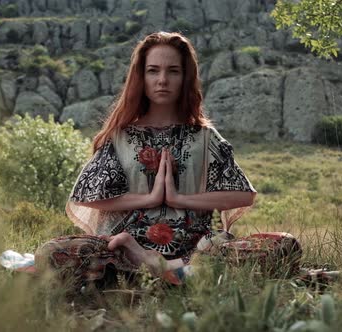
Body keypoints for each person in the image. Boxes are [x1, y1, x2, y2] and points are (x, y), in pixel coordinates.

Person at [36, 32, 299, 286]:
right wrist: (150, 199)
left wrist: (179, 199)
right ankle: (163, 272)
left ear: (185, 77)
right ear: (141, 77)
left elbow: (243, 195)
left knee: (285, 246)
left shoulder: (204, 136)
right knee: (52, 252)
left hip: (196, 249)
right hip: (124, 249)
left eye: (173, 71)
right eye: (153, 70)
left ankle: (159, 270)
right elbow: (85, 195)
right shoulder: (121, 135)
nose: (163, 79)